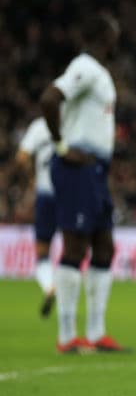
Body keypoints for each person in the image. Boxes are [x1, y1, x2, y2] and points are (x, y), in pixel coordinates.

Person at [40, 13, 129, 354]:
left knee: (104, 247)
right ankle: (66, 336)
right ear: (103, 37)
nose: (117, 41)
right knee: (76, 248)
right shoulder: (85, 67)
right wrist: (61, 145)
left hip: (95, 171)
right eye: (114, 35)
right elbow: (50, 98)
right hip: (76, 169)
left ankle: (96, 333)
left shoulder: (99, 73)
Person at [16, 116, 58, 317]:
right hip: (71, 195)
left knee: (43, 250)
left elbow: (22, 157)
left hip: (45, 195)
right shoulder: (75, 120)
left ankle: (49, 286)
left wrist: (32, 178)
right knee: (74, 250)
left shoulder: (40, 126)